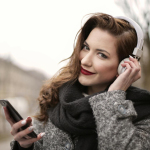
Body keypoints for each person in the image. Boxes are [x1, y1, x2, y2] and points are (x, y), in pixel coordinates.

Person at [4, 13, 150, 150]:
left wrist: (112, 100)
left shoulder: (143, 113)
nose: (85, 61)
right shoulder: (54, 97)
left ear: (124, 65)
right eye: (86, 47)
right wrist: (26, 146)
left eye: (101, 55)